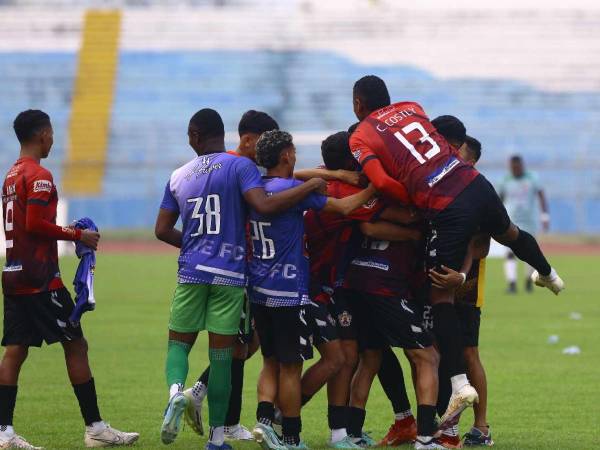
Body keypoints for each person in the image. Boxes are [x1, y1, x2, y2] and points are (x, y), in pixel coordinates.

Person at [349, 75, 564, 449]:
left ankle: (460, 387)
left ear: (357, 104)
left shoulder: (361, 136)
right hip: (473, 188)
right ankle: (548, 273)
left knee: (442, 303)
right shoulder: (414, 108)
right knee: (511, 233)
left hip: (445, 209)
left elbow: (382, 183)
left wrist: (415, 194)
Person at [155, 109, 327, 450]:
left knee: (179, 344)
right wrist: (311, 184)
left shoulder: (178, 175)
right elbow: (262, 204)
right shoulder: (241, 168)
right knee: (224, 358)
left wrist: (193, 245)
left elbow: (161, 230)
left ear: (193, 136)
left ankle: (177, 392)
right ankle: (217, 440)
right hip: (232, 275)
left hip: (191, 271)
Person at [0, 109, 139, 449]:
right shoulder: (39, 174)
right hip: (41, 279)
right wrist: (77, 234)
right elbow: (34, 223)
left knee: (15, 351)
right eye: (50, 133)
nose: (53, 139)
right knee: (75, 344)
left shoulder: (10, 175)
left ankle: (3, 432)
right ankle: (95, 428)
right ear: (42, 134)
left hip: (14, 274)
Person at [248, 130, 375, 450]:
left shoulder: (255, 190)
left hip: (258, 290)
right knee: (292, 367)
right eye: (292, 150)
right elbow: (345, 207)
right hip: (290, 291)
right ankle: (291, 437)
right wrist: (376, 186)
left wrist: (329, 175)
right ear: (286, 156)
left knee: (270, 361)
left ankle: (265, 422)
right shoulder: (294, 190)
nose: (295, 155)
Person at [304, 131, 417, 448]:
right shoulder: (348, 192)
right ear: (352, 161)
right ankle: (282, 424)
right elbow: (377, 222)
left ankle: (344, 432)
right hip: (321, 284)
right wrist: (416, 231)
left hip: (330, 283)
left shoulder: (322, 179)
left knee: (359, 356)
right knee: (341, 358)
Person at [184, 109, 280, 442]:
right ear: (248, 140)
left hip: (222, 266)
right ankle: (201, 397)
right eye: (265, 145)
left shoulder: (222, 164)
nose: (269, 155)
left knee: (242, 345)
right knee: (237, 346)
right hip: (235, 269)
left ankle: (223, 417)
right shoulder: (237, 168)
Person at [428, 134, 494, 447]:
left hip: (466, 285)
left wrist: (462, 274)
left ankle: (481, 427)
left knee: (467, 353)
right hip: (439, 282)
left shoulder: (479, 189)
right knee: (438, 352)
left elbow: (482, 245)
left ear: (473, 161)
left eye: (461, 155)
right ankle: (444, 426)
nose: (454, 160)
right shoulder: (441, 183)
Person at [499, 155, 550, 293]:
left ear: (522, 166)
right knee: (509, 253)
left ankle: (528, 280)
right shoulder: (505, 180)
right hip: (510, 221)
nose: (515, 170)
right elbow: (499, 200)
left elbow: (541, 195)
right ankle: (512, 283)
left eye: (517, 167)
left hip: (529, 221)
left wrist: (545, 215)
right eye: (512, 167)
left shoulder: (532, 178)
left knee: (529, 251)